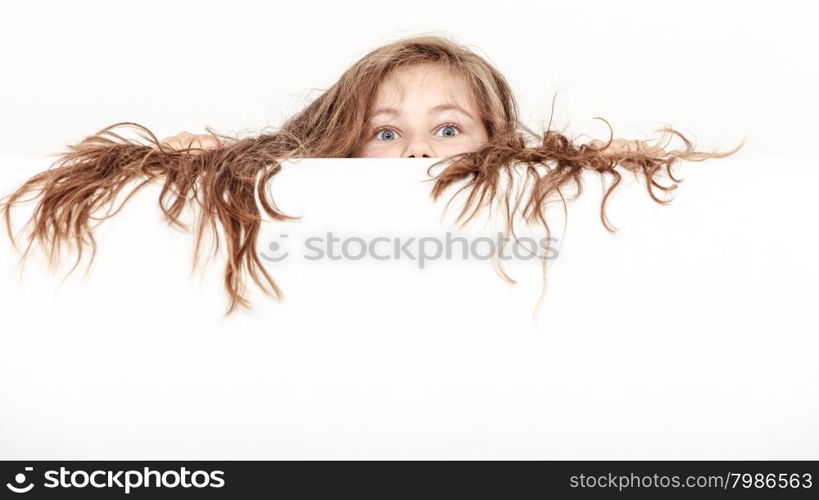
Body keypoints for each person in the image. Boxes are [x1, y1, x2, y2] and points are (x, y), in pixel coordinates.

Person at [0, 34, 741, 315]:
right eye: (386, 133)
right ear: (346, 145)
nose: (418, 150)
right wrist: (188, 164)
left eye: (447, 129)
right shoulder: (311, 201)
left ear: (495, 141)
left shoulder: (526, 196)